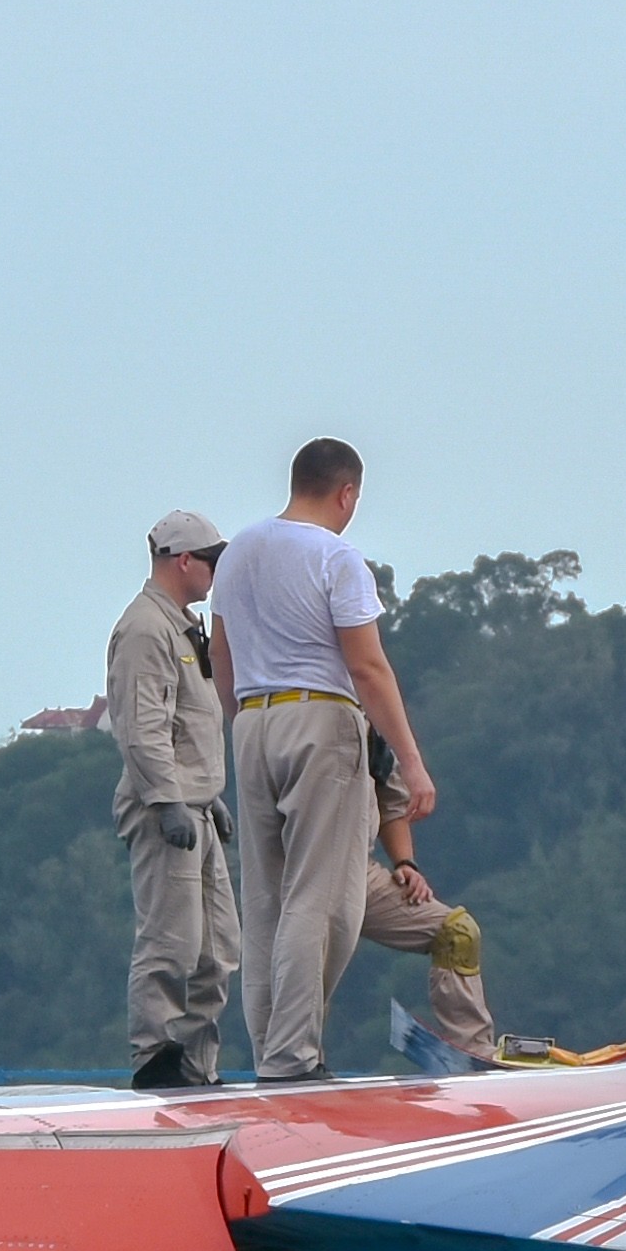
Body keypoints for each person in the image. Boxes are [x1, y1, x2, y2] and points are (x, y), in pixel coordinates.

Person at [217, 438, 440, 1081]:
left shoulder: (237, 554)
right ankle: (294, 1054)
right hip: (320, 717)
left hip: (252, 722)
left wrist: (245, 727)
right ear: (347, 493)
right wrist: (411, 762)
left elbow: (223, 660)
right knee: (324, 897)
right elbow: (367, 666)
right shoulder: (337, 557)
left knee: (265, 896)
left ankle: (269, 1050)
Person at [106, 510, 239, 1088]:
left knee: (217, 949)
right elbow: (143, 726)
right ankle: (156, 1057)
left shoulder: (182, 627)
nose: (215, 571)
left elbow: (192, 724)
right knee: (172, 941)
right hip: (168, 810)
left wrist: (209, 796)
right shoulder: (145, 629)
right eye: (210, 559)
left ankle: (196, 1064)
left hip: (196, 807)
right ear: (183, 560)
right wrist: (166, 800)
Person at [349, 726, 509, 1070]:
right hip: (303, 870)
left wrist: (404, 863)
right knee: (308, 961)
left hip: (357, 870)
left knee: (457, 932)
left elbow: (391, 801)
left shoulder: (371, 727)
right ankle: (298, 1061)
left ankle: (474, 1052)